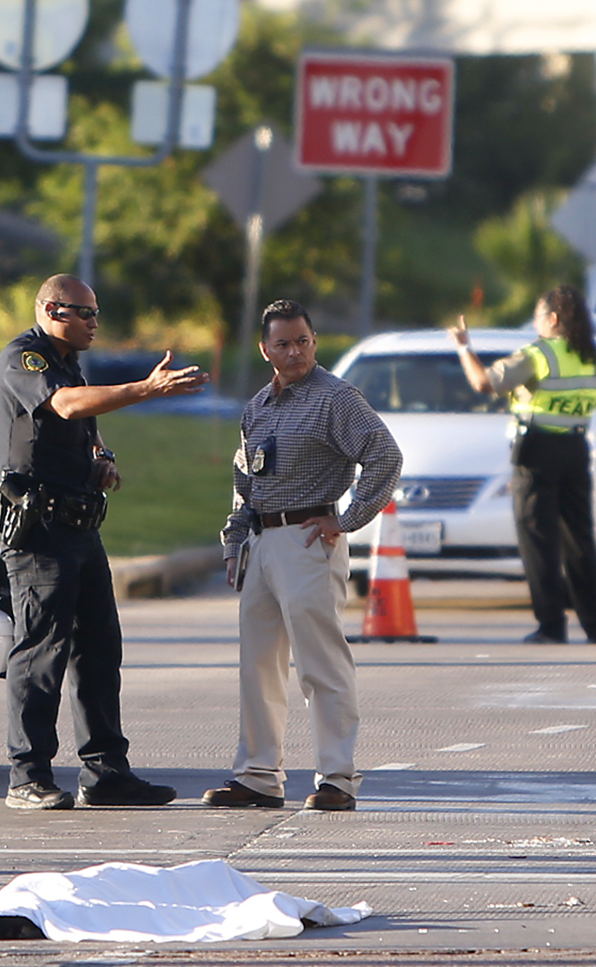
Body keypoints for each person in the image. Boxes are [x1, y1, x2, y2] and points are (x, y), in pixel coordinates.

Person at [0, 274, 210, 810]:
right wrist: (144, 389)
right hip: (39, 531)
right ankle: (28, 776)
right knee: (41, 652)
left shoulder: (68, 360)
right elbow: (64, 406)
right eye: (82, 313)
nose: (93, 322)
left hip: (80, 527)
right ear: (49, 309)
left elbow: (80, 420)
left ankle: (106, 773)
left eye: (96, 313)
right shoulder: (26, 359)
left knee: (99, 651)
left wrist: (101, 458)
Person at [204, 301, 402, 811]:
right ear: (265, 349)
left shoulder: (336, 399)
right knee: (259, 666)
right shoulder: (258, 407)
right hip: (263, 544)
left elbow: (385, 454)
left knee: (321, 665)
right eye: (284, 343)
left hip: (310, 538)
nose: (295, 352)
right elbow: (244, 482)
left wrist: (347, 518)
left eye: (304, 341)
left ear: (315, 342)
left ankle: (337, 777)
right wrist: (234, 542)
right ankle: (258, 775)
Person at [449, 284, 596, 644]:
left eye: (538, 317)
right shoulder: (593, 355)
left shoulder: (539, 354)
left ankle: (551, 625)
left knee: (538, 540)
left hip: (537, 450)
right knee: (580, 538)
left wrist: (465, 348)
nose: (535, 324)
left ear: (553, 318)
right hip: (576, 448)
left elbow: (484, 382)